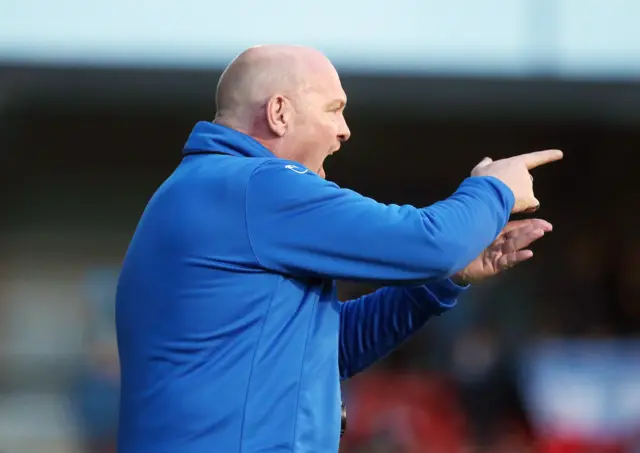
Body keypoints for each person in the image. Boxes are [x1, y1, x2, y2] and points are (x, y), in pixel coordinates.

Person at [115, 44, 562, 453]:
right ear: (279, 113)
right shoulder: (255, 186)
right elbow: (428, 241)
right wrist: (493, 190)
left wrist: (444, 280)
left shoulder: (211, 189)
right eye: (334, 109)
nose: (345, 130)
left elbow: (329, 348)